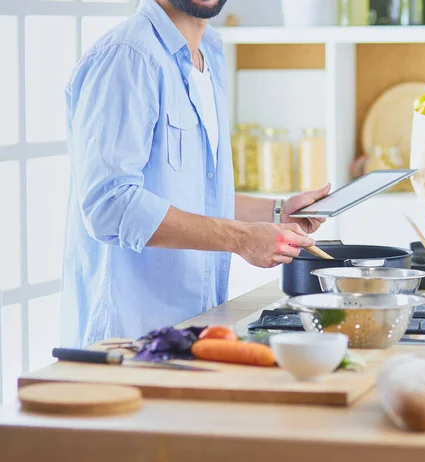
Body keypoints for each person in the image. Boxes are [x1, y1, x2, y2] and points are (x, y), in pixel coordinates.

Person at [61, 0, 329, 347]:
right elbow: (110, 206)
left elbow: (193, 194)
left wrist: (278, 211)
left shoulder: (208, 55)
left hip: (191, 329)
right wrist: (240, 238)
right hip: (126, 341)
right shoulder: (129, 56)